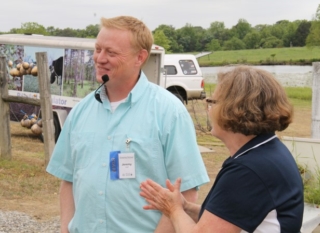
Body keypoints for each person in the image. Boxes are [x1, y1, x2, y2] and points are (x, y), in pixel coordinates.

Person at [46, 16, 209, 233]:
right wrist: (65, 229)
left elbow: (185, 192)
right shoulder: (80, 112)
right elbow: (68, 180)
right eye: (98, 49)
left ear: (139, 57)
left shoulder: (169, 112)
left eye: (111, 52)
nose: (99, 58)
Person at [140, 66, 304, 233]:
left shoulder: (248, 171)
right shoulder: (265, 153)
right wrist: (185, 207)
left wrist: (173, 210)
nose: (208, 109)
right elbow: (226, 218)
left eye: (212, 102)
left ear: (235, 109)